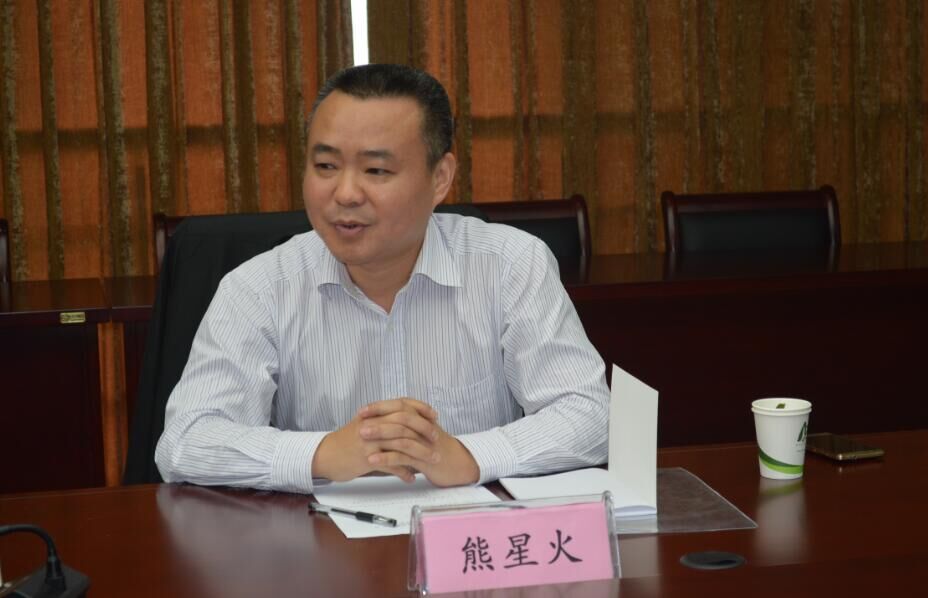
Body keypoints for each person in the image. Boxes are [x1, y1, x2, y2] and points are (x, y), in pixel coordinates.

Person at [155, 64, 608, 493]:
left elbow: (590, 415)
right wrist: (322, 453)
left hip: (467, 537)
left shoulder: (511, 264)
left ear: (440, 178)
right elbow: (185, 441)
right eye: (326, 166)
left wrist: (469, 456)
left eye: (376, 170)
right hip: (320, 543)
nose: (346, 193)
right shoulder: (257, 287)